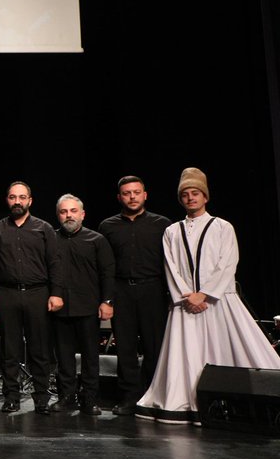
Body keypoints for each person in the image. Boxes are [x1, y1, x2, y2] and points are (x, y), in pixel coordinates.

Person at [135, 168, 280, 423]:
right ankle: (187, 400)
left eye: (195, 193)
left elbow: (228, 263)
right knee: (187, 353)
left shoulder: (222, 227)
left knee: (231, 347)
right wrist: (187, 296)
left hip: (218, 301)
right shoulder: (172, 231)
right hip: (185, 304)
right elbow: (171, 267)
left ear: (205, 196)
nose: (190, 198)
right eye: (185, 194)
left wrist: (205, 294)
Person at [0, 181, 63, 414]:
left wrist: (56, 293)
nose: (17, 201)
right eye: (12, 197)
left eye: (21, 197)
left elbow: (54, 263)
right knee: (9, 350)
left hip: (38, 293)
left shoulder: (44, 228)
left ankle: (41, 398)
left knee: (40, 350)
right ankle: (11, 397)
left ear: (30, 200)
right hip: (6, 293)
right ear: (7, 200)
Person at [98, 176, 171, 415]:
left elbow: (171, 263)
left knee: (154, 347)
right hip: (122, 291)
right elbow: (105, 267)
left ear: (145, 195)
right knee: (125, 348)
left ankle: (153, 396)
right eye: (127, 193)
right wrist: (107, 299)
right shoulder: (107, 226)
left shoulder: (162, 224)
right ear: (119, 197)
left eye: (136, 192)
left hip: (153, 290)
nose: (132, 197)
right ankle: (129, 397)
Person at [51, 194, 115, 416]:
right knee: (63, 357)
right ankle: (66, 397)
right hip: (59, 309)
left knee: (90, 357)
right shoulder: (51, 239)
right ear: (58, 215)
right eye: (63, 212)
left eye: (73, 211)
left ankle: (89, 399)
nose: (68, 215)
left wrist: (107, 301)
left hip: (88, 307)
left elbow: (108, 273)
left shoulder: (97, 240)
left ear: (83, 214)